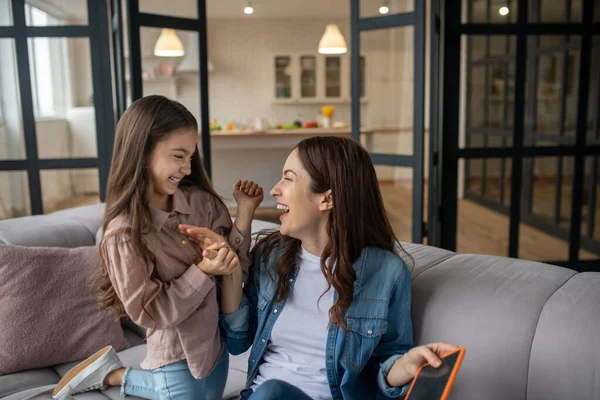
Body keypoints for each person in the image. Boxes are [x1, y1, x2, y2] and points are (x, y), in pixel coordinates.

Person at [185, 136, 457, 400]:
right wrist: (231, 271)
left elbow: (383, 368)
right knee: (271, 393)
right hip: (260, 395)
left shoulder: (386, 272)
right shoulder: (271, 255)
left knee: (273, 393)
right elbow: (237, 341)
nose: (274, 190)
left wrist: (407, 366)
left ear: (327, 199)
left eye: (288, 178)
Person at [51, 95, 263, 400]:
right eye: (178, 156)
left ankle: (114, 373)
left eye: (191, 156)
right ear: (143, 150)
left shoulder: (203, 204)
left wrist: (244, 214)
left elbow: (238, 271)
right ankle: (116, 374)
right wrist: (204, 269)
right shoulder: (123, 234)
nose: (188, 169)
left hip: (217, 351)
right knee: (175, 391)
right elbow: (150, 312)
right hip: (175, 357)